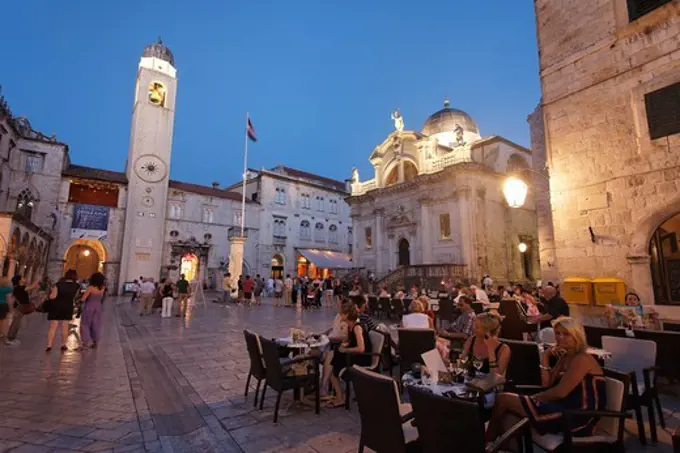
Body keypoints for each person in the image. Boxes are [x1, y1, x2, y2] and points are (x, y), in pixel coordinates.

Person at [487, 317, 606, 442]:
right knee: (510, 416)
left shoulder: (582, 359)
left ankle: (486, 444)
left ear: (577, 336)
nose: (560, 337)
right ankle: (502, 447)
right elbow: (547, 383)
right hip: (563, 406)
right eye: (557, 333)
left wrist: (535, 398)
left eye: (566, 334)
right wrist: (545, 357)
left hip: (578, 415)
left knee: (503, 399)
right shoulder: (566, 356)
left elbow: (560, 392)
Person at [327, 304, 372, 408]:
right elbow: (353, 342)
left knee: (335, 365)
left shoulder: (357, 327)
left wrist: (345, 349)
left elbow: (361, 348)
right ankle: (339, 394)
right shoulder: (351, 326)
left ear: (347, 315)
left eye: (341, 313)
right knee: (337, 355)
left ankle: (340, 398)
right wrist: (346, 344)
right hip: (356, 356)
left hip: (363, 358)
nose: (339, 315)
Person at [45, 269, 80, 351]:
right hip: (68, 306)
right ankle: (63, 345)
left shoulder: (58, 284)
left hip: (56, 306)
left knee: (53, 327)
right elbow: (76, 297)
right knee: (65, 327)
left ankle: (49, 345)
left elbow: (52, 297)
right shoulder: (76, 286)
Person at [5, 275, 39, 346]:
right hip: (20, 308)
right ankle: (9, 338)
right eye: (23, 278)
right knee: (15, 324)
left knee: (17, 323)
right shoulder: (20, 288)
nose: (24, 278)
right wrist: (37, 280)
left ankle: (12, 338)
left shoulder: (18, 288)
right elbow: (32, 286)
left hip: (20, 307)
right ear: (19, 280)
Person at [79, 272, 106, 349]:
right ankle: (95, 342)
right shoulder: (102, 288)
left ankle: (85, 343)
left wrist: (80, 300)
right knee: (96, 324)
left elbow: (83, 298)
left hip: (89, 306)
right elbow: (103, 298)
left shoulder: (90, 287)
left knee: (85, 324)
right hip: (98, 307)